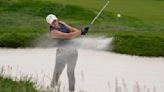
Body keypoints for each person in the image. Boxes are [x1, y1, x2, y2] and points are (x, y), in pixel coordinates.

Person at [46, 14, 88, 92]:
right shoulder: (53, 32)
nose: (55, 23)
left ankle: (71, 90)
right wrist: (80, 32)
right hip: (62, 53)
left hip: (73, 52)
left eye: (55, 20)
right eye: (52, 22)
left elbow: (72, 30)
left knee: (70, 73)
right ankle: (52, 89)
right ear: (50, 24)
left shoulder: (62, 23)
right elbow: (68, 36)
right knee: (57, 73)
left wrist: (81, 32)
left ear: (57, 19)